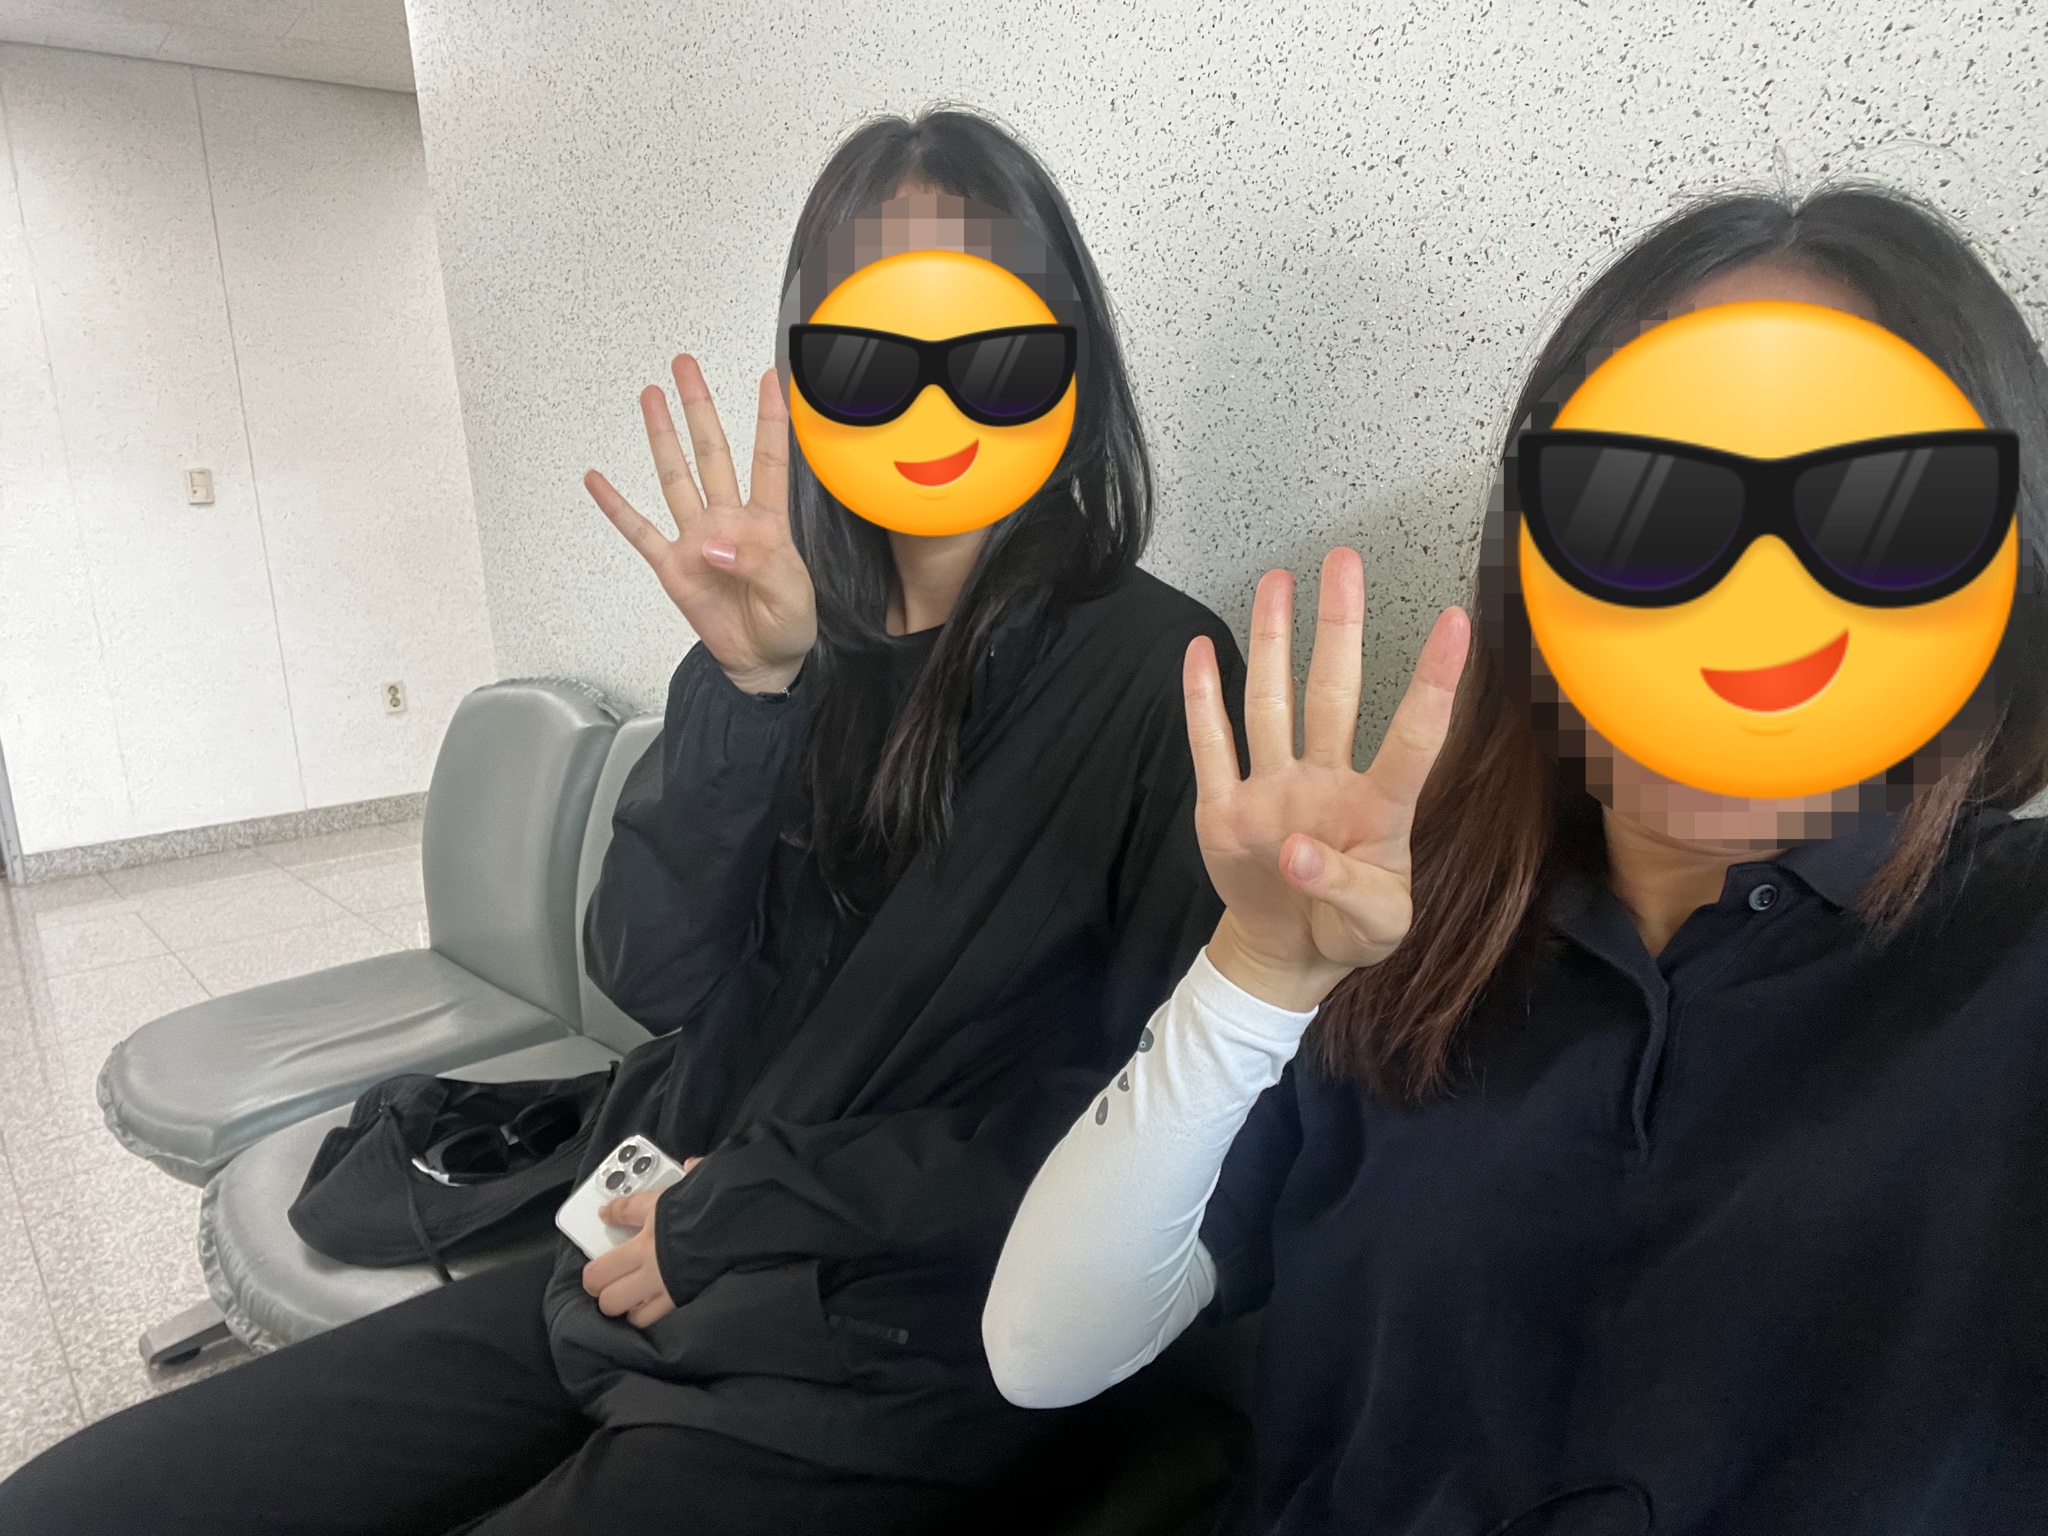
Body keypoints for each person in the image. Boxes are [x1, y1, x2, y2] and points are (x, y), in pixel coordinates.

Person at [0, 109, 1241, 1535]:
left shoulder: (1162, 676)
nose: (931, 398)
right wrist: (748, 692)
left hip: (893, 1364)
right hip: (631, 1265)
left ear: (1070, 358)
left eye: (992, 347)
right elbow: (653, 972)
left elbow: (1149, 1141)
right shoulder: (786, 623)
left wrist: (748, 1207)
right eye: (870, 352)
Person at [984, 188, 2048, 1534]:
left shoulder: (2015, 956)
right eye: (1646, 502)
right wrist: (1253, 975)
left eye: (1881, 510)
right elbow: (1046, 1348)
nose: (1749, 589)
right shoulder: (1401, 926)